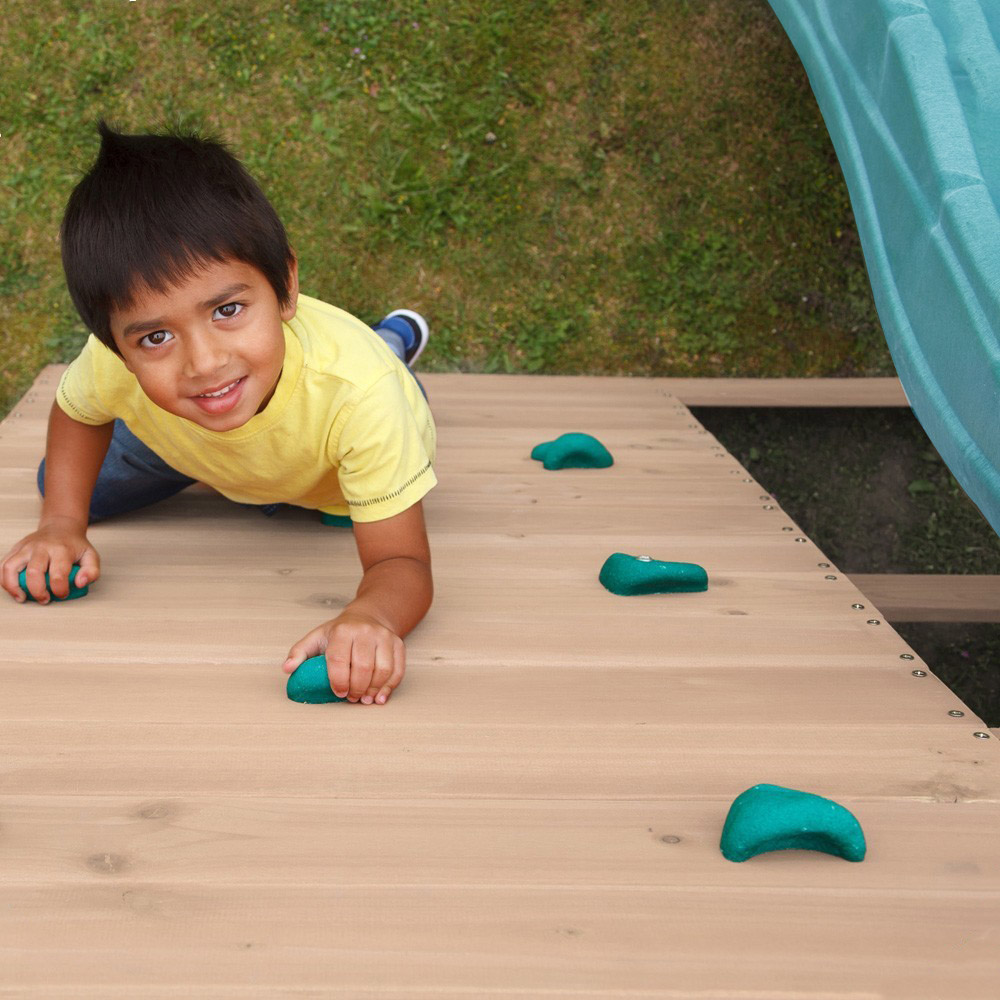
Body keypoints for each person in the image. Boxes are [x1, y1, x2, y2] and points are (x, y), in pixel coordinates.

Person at [0, 121, 437, 707]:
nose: (204, 363)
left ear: (285, 287)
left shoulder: (363, 398)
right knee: (58, 484)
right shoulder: (116, 364)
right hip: (189, 435)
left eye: (227, 309)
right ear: (113, 345)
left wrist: (370, 615)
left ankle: (389, 342)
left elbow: (401, 560)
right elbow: (78, 412)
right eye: (154, 338)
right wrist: (60, 524)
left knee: (373, 415)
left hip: (326, 465)